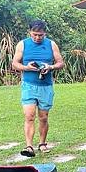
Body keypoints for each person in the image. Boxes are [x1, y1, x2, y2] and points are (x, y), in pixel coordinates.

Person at [12, 20, 64, 157]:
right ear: (30, 32)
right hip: (29, 85)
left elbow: (60, 63)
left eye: (40, 35)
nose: (37, 37)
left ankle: (42, 143)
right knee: (29, 116)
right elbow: (15, 64)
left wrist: (50, 67)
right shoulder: (22, 44)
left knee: (43, 117)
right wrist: (27, 67)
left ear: (44, 33)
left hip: (45, 86)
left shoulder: (51, 44)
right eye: (34, 34)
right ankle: (29, 146)